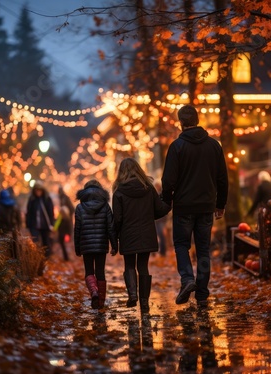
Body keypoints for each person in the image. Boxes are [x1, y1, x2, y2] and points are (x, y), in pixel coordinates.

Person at [161, 104, 228, 307]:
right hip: (206, 207)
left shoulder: (176, 147)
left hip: (183, 207)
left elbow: (168, 180)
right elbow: (222, 178)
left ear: (181, 122)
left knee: (182, 245)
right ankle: (202, 292)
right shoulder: (214, 146)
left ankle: (187, 279)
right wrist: (220, 204)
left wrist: (167, 201)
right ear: (197, 120)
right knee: (203, 249)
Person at [112, 158, 171, 313]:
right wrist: (168, 200)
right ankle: (144, 303)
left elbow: (117, 219)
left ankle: (132, 295)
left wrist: (114, 238)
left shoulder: (118, 192)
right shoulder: (149, 189)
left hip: (127, 234)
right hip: (146, 233)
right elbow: (159, 210)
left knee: (129, 265)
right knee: (143, 266)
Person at [74, 180, 118, 309]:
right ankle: (101, 302)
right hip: (100, 244)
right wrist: (114, 245)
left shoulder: (80, 208)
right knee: (100, 272)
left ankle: (93, 292)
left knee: (89, 271)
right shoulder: (105, 206)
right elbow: (111, 227)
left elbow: (77, 229)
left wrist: (77, 247)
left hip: (86, 244)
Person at [25, 182, 55, 258]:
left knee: (46, 242)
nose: (38, 192)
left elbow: (50, 212)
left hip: (45, 225)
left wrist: (51, 224)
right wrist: (28, 224)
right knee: (35, 242)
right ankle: (37, 258)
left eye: (40, 190)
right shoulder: (32, 199)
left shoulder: (47, 199)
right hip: (34, 225)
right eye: (37, 190)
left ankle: (47, 259)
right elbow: (29, 212)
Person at [57, 186, 75, 261]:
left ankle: (68, 257)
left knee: (67, 240)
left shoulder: (65, 198)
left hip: (67, 221)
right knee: (64, 240)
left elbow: (72, 209)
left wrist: (66, 214)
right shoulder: (62, 198)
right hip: (64, 221)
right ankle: (66, 257)